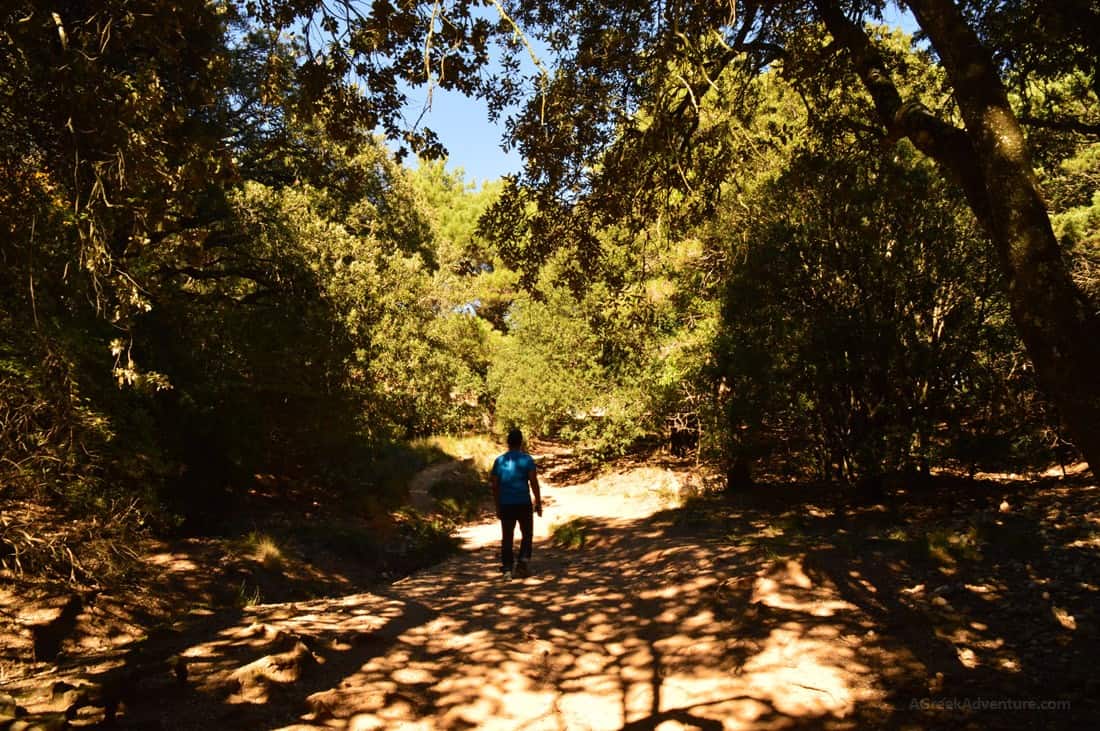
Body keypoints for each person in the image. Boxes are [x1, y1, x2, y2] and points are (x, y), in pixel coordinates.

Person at [490, 428, 542, 578]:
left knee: (507, 536)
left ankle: (507, 569)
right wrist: (538, 502)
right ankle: (522, 564)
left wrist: (498, 505)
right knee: (527, 534)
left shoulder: (499, 461)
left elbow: (494, 485)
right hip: (523, 503)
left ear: (508, 442)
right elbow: (533, 482)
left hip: (506, 504)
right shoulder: (527, 460)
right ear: (521, 442)